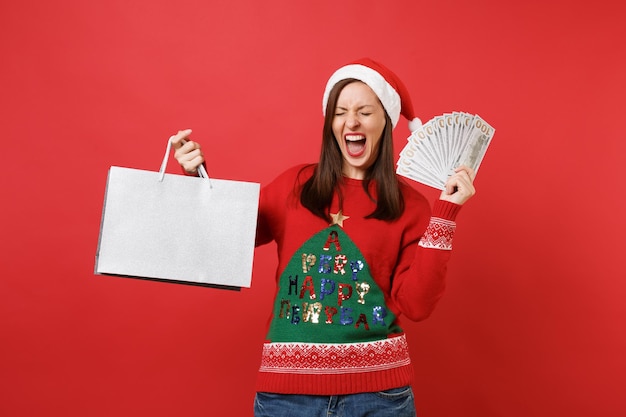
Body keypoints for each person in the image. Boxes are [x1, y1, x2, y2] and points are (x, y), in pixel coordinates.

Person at [171, 58, 476, 417]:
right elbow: (228, 238)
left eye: (364, 111)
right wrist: (196, 177)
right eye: (340, 112)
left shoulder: (412, 206)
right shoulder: (293, 186)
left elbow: (418, 306)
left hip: (380, 398)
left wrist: (446, 213)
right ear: (330, 122)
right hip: (286, 398)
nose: (351, 122)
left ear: (386, 122)